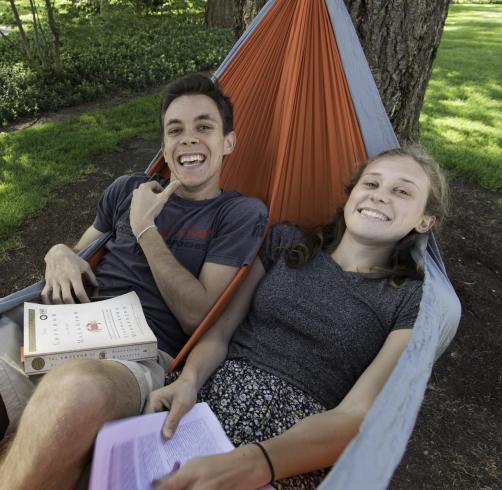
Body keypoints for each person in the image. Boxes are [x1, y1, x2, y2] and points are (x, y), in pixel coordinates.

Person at [0, 73, 267, 489]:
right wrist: (57, 251)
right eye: (176, 130)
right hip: (63, 323)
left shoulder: (238, 214)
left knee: (75, 393)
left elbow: (198, 316)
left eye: (204, 127)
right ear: (164, 148)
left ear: (228, 142)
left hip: (137, 353)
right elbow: (80, 252)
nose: (189, 138)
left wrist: (145, 230)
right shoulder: (127, 189)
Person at [146, 146, 449, 490]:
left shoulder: (412, 301)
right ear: (351, 195)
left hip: (293, 449)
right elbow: (220, 332)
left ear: (425, 221)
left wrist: (257, 463)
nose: (379, 196)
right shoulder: (285, 242)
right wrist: (188, 381)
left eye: (401, 191)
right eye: (371, 184)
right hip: (206, 402)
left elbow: (357, 415)